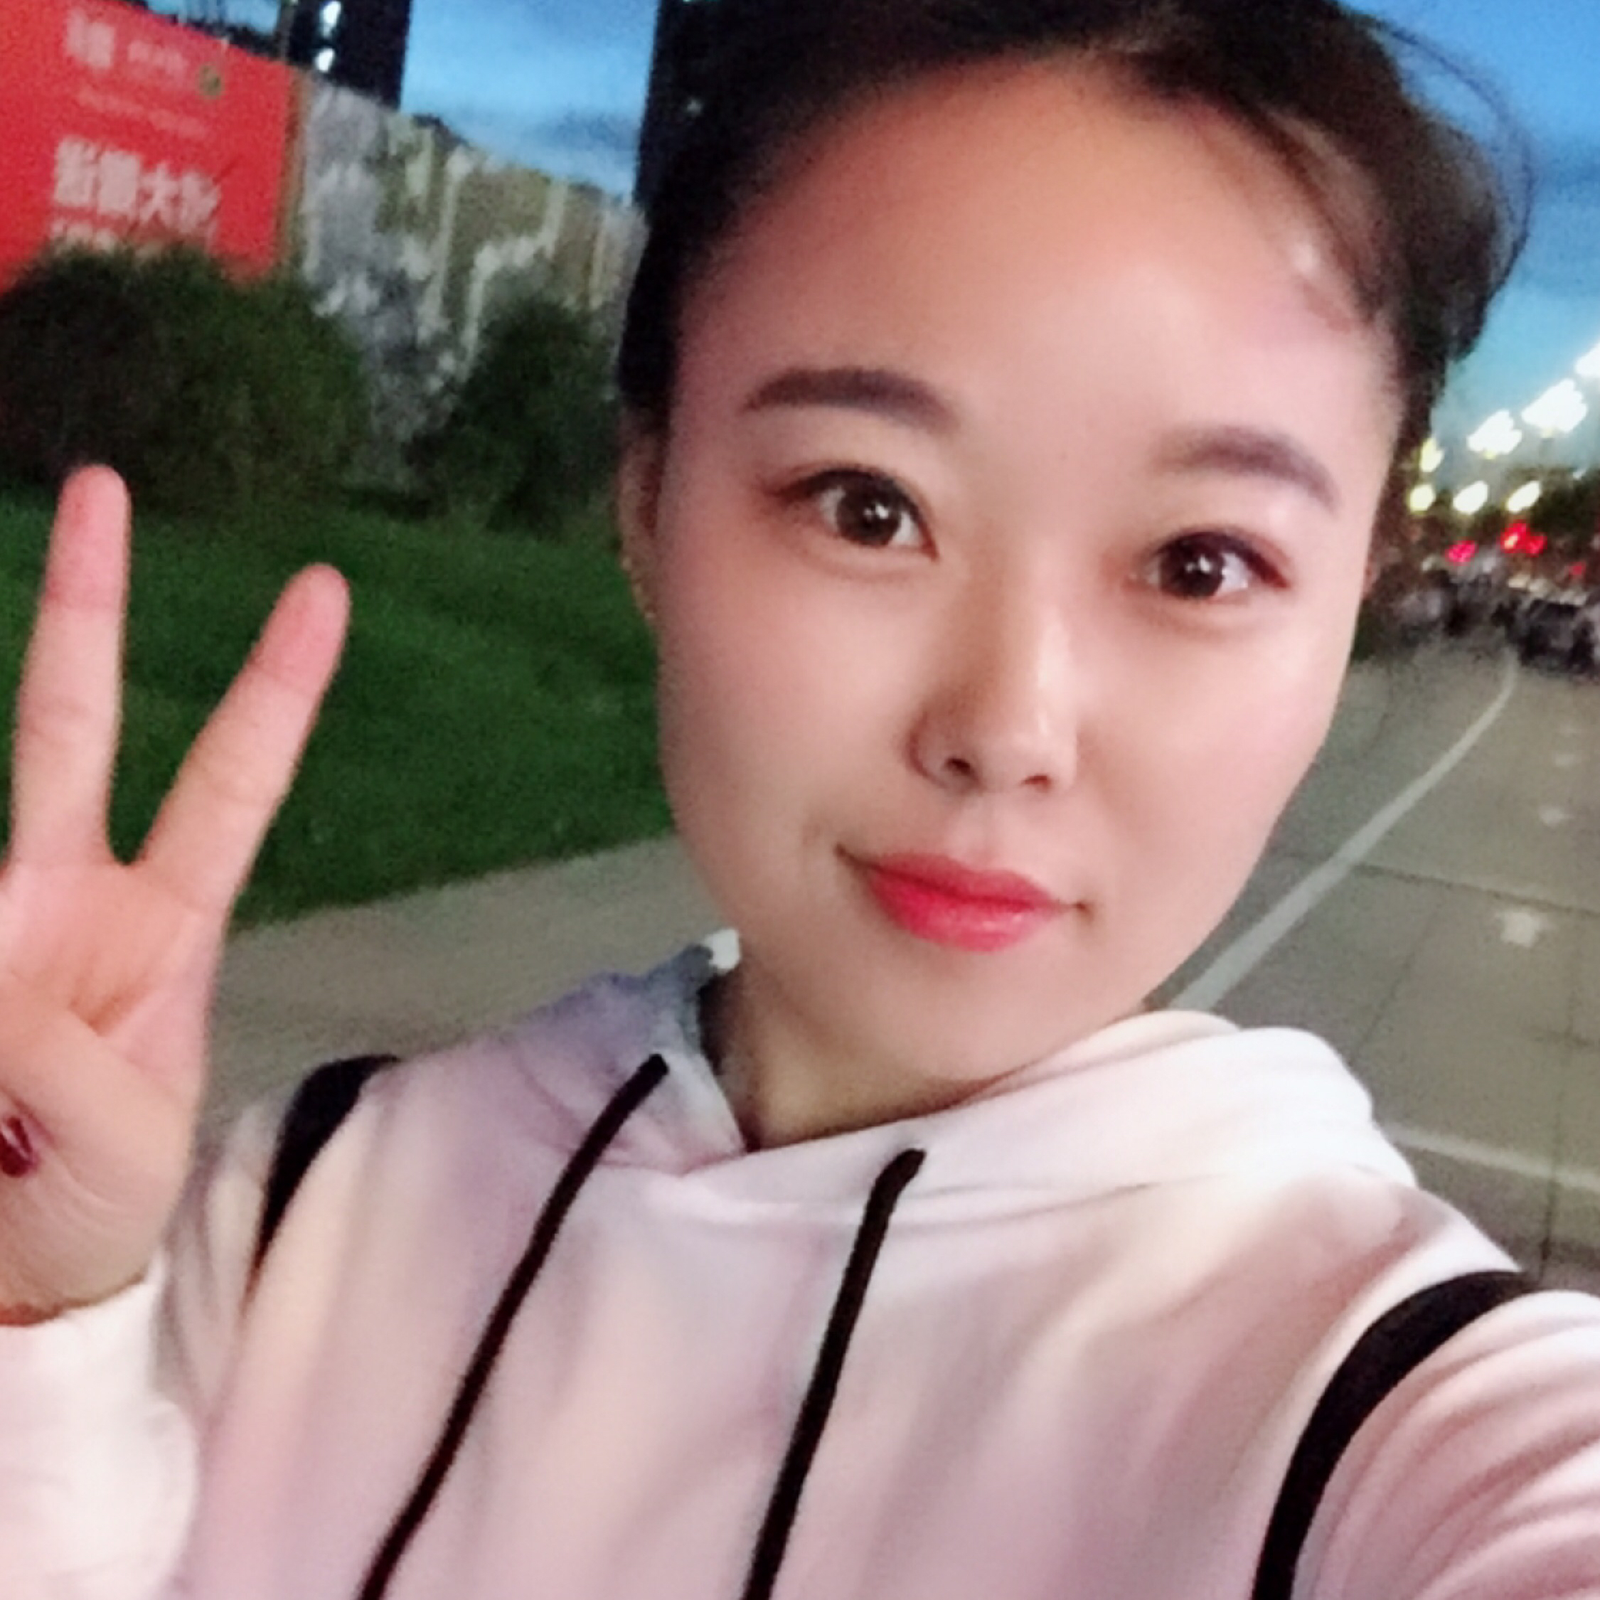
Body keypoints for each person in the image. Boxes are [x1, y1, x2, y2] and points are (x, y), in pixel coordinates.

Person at [5, 0, 1600, 1595]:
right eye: (867, 507)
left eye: (1201, 564)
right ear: (647, 501)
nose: (1008, 728)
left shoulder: (1392, 1412)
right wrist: (36, 1321)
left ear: (1357, 596)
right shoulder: (307, 1205)